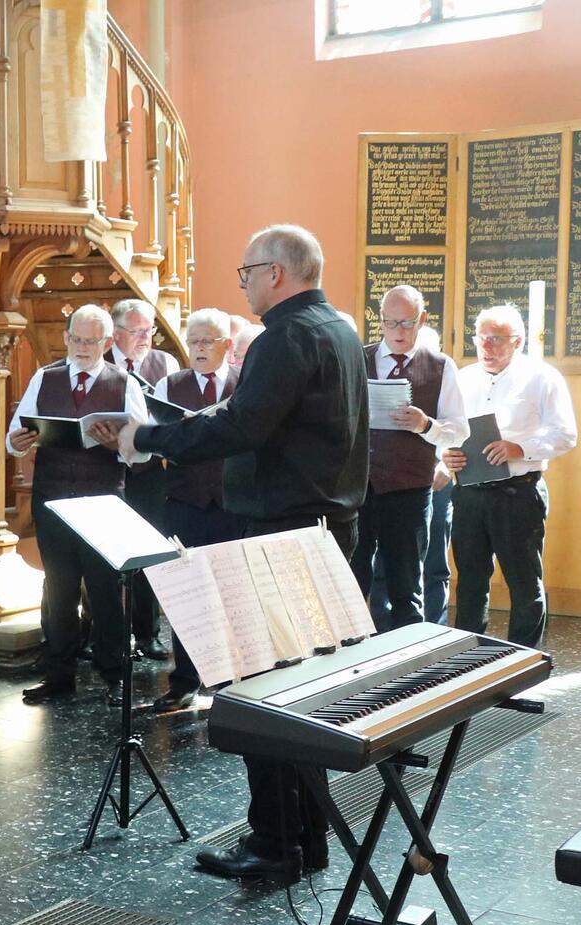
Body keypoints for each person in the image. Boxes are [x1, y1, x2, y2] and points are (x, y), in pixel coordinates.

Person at [97, 224, 367, 884]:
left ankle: (276, 844)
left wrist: (150, 437)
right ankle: (306, 838)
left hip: (282, 536)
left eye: (246, 270)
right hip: (324, 528)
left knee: (263, 696)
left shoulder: (286, 336)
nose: (242, 282)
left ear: (276, 273)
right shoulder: (338, 329)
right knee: (302, 694)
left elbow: (242, 424)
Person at [8, 304, 152, 706]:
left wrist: (115, 443)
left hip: (103, 501)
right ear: (66, 337)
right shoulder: (45, 377)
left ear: (107, 343)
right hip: (53, 498)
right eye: (76, 339)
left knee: (106, 591)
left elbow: (140, 453)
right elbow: (14, 432)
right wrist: (16, 442)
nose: (82, 347)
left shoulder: (124, 383)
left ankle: (114, 676)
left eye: (92, 341)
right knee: (59, 588)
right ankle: (59, 675)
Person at [442, 305, 577, 648]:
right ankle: (468, 667)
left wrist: (521, 447)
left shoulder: (542, 378)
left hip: (518, 494)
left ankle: (524, 669)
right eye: (481, 339)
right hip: (470, 493)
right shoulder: (463, 378)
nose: (487, 347)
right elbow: (446, 432)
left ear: (517, 342)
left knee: (524, 583)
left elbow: (565, 435)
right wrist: (447, 454)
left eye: (496, 340)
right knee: (470, 581)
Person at [350, 285, 467, 630]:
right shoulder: (359, 358)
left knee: (406, 589)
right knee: (352, 584)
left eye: (407, 323)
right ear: (380, 321)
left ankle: (406, 667)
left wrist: (425, 424)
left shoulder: (441, 366)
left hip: (408, 491)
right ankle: (349, 667)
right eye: (390, 323)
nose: (398, 332)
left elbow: (459, 430)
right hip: (358, 490)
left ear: (423, 320)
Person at [149, 308, 243, 714]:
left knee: (231, 593)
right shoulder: (168, 385)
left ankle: (231, 683)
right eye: (194, 342)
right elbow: (152, 441)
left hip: (233, 503)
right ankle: (184, 681)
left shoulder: (246, 385)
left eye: (208, 341)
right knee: (185, 593)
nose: (200, 349)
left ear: (226, 345)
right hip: (184, 502)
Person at [107, 298, 180, 659]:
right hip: (109, 468)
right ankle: (105, 635)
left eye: (149, 330)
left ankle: (148, 633)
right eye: (137, 331)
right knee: (106, 554)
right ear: (116, 333)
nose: (146, 338)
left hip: (150, 471)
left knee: (150, 550)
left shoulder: (163, 363)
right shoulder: (101, 363)